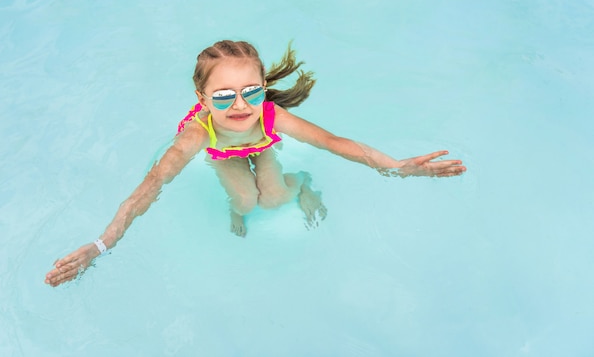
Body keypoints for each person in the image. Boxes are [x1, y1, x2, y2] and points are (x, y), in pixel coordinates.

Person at [44, 40, 466, 287]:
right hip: (222, 152)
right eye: (224, 96)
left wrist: (396, 166)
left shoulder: (270, 116)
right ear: (202, 99)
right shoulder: (197, 135)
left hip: (260, 147)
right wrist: (101, 246)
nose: (241, 105)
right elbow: (148, 188)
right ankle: (240, 205)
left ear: (264, 88)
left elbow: (334, 143)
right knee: (246, 201)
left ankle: (300, 184)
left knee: (276, 197)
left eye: (251, 91)